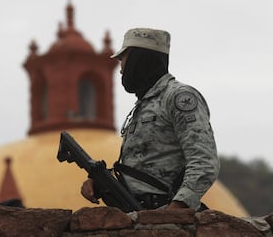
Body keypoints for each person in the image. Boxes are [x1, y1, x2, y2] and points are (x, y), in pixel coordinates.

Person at [81, 28, 220, 211]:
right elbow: (144, 167)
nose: (121, 69)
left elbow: (204, 161)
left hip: (164, 213)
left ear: (140, 60)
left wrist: (178, 207)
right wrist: (100, 183)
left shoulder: (178, 97)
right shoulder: (143, 105)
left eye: (123, 59)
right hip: (137, 214)